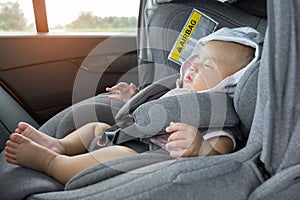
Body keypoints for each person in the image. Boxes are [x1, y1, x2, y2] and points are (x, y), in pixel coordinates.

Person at [4, 27, 261, 185]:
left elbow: (222, 157)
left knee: (121, 155)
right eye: (197, 59)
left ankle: (51, 163)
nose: (194, 66)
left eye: (207, 66)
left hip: (144, 157)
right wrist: (133, 100)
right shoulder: (180, 92)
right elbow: (153, 112)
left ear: (228, 84)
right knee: (97, 127)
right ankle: (60, 145)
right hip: (128, 135)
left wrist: (199, 146)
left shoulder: (219, 119)